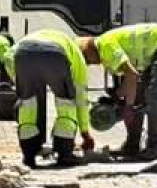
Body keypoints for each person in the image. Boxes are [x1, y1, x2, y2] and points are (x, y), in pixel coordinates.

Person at [78, 23, 157, 161]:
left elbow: (131, 75)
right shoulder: (104, 45)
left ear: (88, 52)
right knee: (138, 97)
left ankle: (156, 146)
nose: (91, 64)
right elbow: (130, 79)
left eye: (87, 61)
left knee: (153, 96)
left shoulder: (105, 47)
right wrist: (115, 98)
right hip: (154, 49)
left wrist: (128, 107)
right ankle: (132, 145)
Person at [11, 29, 94, 167]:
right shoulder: (78, 57)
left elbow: (9, 57)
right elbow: (80, 98)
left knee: (27, 104)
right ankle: (64, 153)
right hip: (54, 55)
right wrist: (85, 132)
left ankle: (29, 154)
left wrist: (19, 81)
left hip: (23, 52)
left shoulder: (58, 38)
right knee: (66, 104)